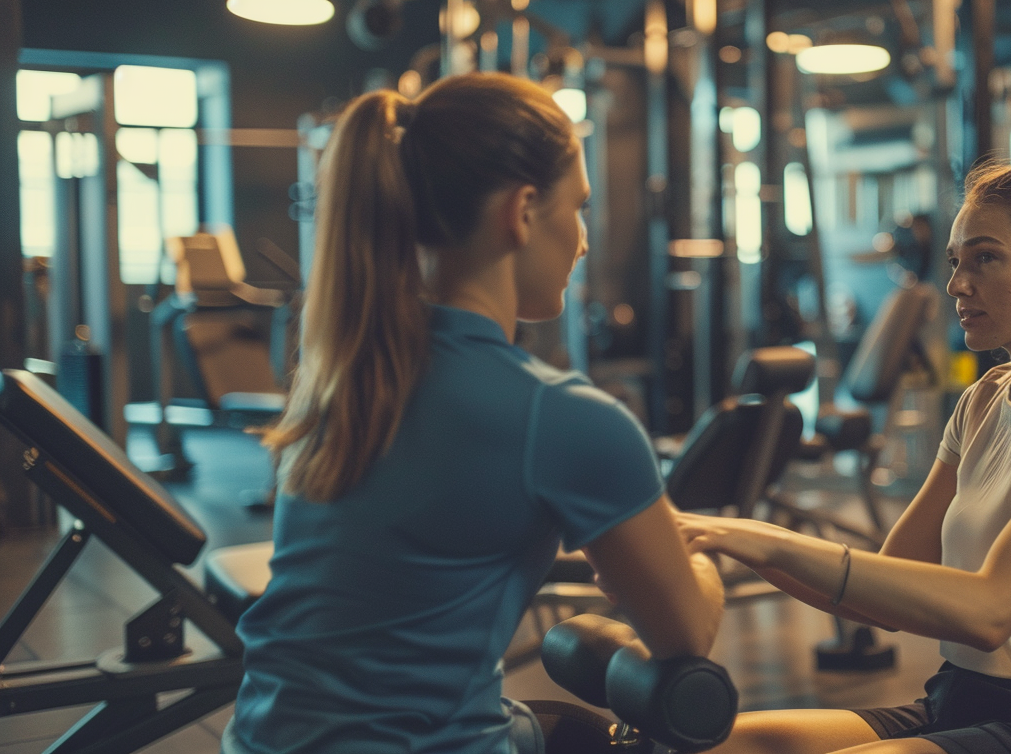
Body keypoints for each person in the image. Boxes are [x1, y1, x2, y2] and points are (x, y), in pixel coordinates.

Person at [225, 72, 724, 754]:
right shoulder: (562, 416)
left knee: (564, 732)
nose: (581, 241)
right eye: (577, 208)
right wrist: (700, 559)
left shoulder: (348, 380)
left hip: (258, 741)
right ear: (521, 212)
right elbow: (686, 632)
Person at [679, 163, 1011, 754]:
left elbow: (992, 609)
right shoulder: (981, 401)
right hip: (959, 698)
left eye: (985, 258)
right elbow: (880, 587)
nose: (957, 284)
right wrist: (733, 542)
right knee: (729, 743)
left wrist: (770, 541)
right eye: (955, 262)